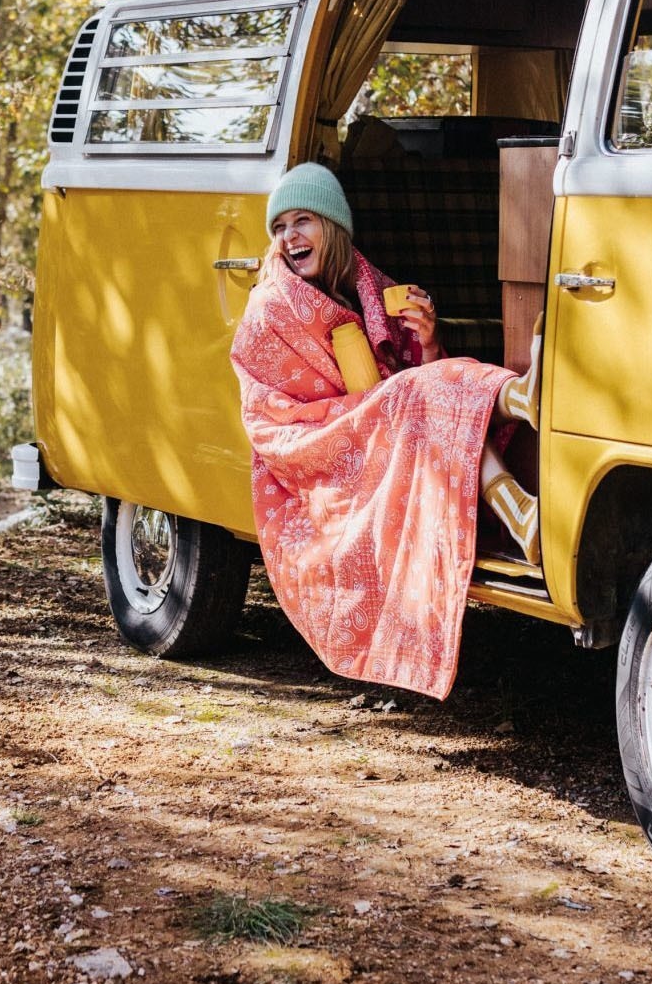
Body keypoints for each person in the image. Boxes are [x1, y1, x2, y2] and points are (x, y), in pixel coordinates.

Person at [229, 163, 541, 699]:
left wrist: (428, 340)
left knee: (424, 397)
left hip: (384, 425)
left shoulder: (373, 287)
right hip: (321, 447)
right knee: (418, 398)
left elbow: (420, 379)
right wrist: (379, 407)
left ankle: (520, 509)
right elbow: (268, 415)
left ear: (333, 225)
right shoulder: (270, 308)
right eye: (279, 226)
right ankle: (518, 400)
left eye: (302, 220)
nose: (289, 237)